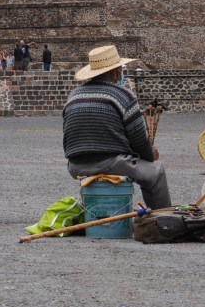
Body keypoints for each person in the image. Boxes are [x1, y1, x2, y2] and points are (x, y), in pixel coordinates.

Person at [62, 45, 171, 210]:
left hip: (75, 165)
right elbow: (139, 142)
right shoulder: (123, 96)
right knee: (155, 172)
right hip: (109, 163)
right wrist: (150, 155)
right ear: (114, 72)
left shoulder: (73, 96)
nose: (121, 73)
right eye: (119, 69)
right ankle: (163, 218)